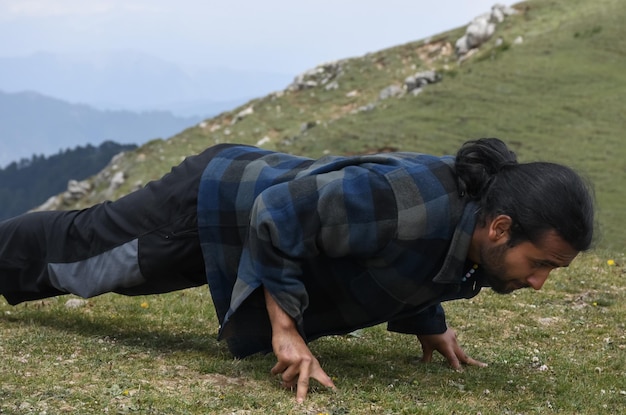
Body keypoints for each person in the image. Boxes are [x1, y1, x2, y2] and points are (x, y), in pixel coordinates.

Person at [0, 138, 594, 403]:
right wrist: (285, 328)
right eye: (538, 263)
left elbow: (401, 261)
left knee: (83, 258)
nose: (537, 282)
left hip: (245, 219)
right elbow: (279, 211)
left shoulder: (465, 225)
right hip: (216, 202)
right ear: (500, 228)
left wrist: (428, 322)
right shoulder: (406, 199)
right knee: (80, 260)